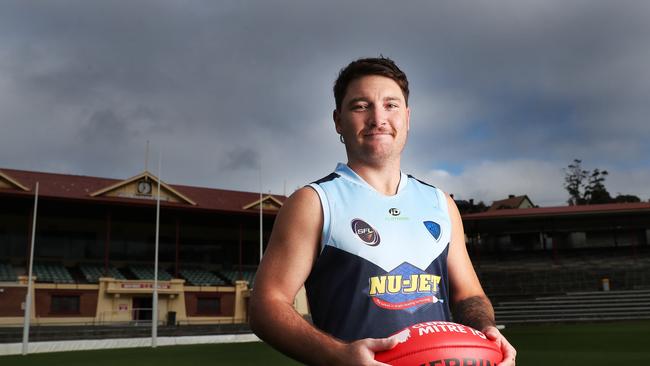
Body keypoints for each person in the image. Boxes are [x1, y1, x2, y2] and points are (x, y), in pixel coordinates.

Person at [250, 57, 516, 365]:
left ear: (407, 116)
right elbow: (266, 306)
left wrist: (486, 331)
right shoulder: (315, 202)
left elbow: (468, 295)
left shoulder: (440, 203)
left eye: (391, 105)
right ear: (338, 120)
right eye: (361, 106)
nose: (378, 118)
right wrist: (339, 355)